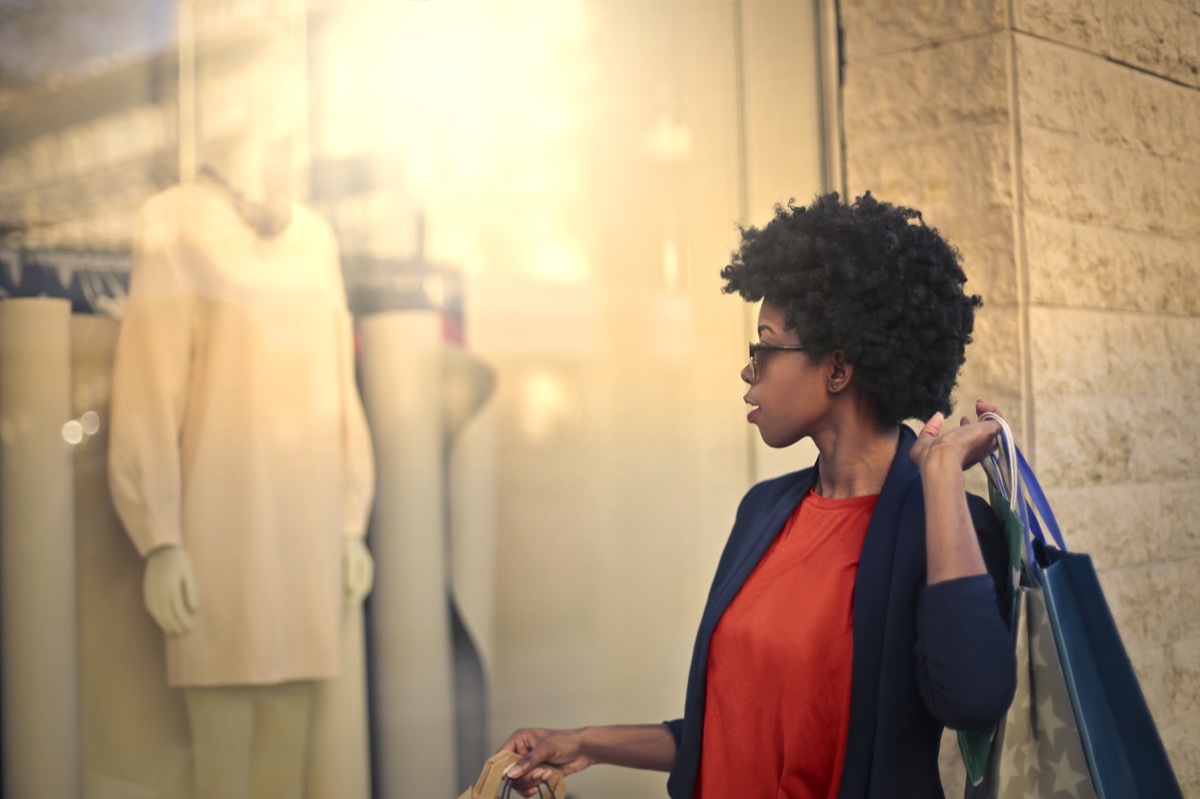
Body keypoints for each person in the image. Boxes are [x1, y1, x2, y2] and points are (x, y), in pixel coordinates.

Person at [500, 192, 1016, 798]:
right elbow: (732, 730)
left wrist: (942, 475)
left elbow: (972, 696)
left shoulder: (942, 524)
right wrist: (585, 742)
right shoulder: (765, 511)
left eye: (764, 347)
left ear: (837, 369)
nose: (749, 371)